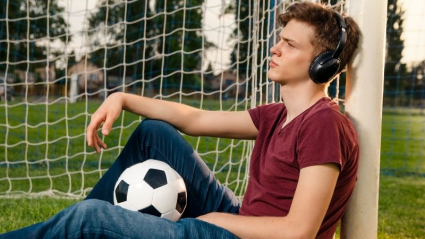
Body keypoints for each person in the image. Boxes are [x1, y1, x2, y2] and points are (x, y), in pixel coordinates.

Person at [0, 1, 361, 239]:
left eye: (290, 45)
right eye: (279, 39)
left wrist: (212, 221)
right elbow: (194, 118)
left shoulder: (323, 124)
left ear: (323, 63)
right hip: (242, 217)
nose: (275, 48)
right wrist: (121, 98)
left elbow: (299, 230)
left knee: (91, 218)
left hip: (244, 234)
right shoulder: (278, 115)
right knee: (153, 133)